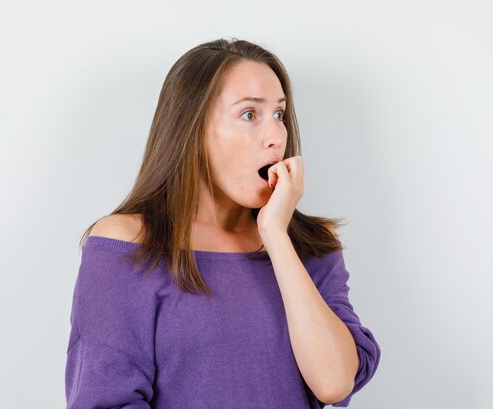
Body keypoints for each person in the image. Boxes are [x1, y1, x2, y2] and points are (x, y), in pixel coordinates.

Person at [65, 38, 381, 409]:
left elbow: (333, 383)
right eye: (249, 114)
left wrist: (276, 235)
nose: (276, 137)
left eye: (279, 115)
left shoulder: (313, 247)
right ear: (193, 130)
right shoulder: (126, 245)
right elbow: (106, 401)